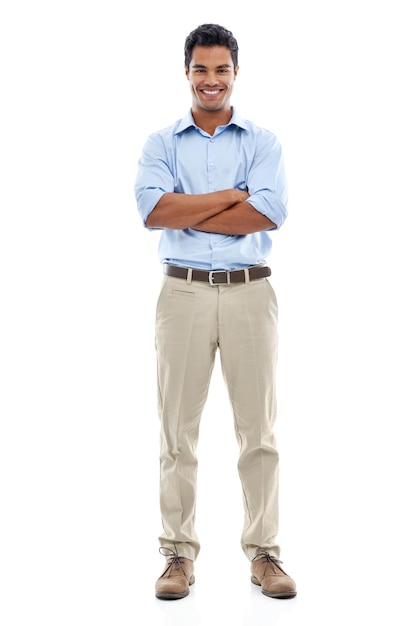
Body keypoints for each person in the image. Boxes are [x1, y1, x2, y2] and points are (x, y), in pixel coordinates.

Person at [134, 23, 296, 600]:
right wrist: (234, 194)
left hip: (251, 292)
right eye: (201, 69)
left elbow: (270, 211)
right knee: (177, 432)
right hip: (182, 294)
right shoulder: (161, 144)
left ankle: (264, 553)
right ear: (187, 73)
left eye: (221, 69)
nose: (211, 80)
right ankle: (177, 555)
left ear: (235, 73)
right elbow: (154, 212)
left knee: (259, 432)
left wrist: (191, 209)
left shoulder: (263, 141)